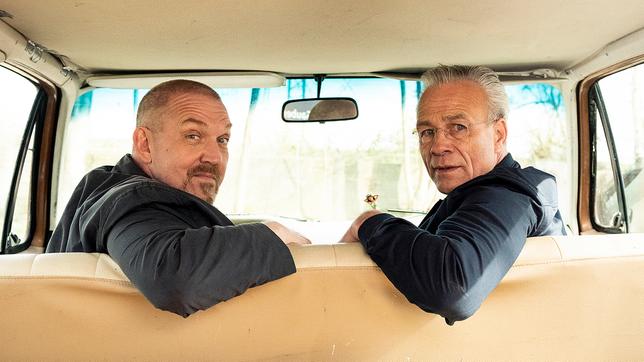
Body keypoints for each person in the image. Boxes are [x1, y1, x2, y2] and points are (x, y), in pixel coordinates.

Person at [47, 79, 310, 317]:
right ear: (144, 144)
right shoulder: (135, 203)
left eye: (222, 139)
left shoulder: (107, 190)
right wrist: (272, 233)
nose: (215, 156)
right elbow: (174, 278)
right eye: (193, 136)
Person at [341, 65, 566, 325]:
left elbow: (452, 287)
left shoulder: (509, 194)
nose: (438, 147)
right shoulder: (474, 199)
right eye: (427, 132)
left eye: (458, 127)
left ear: (498, 134)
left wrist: (369, 222)